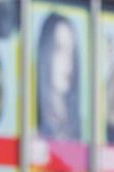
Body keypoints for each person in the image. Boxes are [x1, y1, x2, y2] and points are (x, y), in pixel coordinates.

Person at [36, 12, 82, 141]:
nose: (68, 62)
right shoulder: (34, 128)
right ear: (46, 53)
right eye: (60, 49)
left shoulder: (76, 125)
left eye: (71, 52)